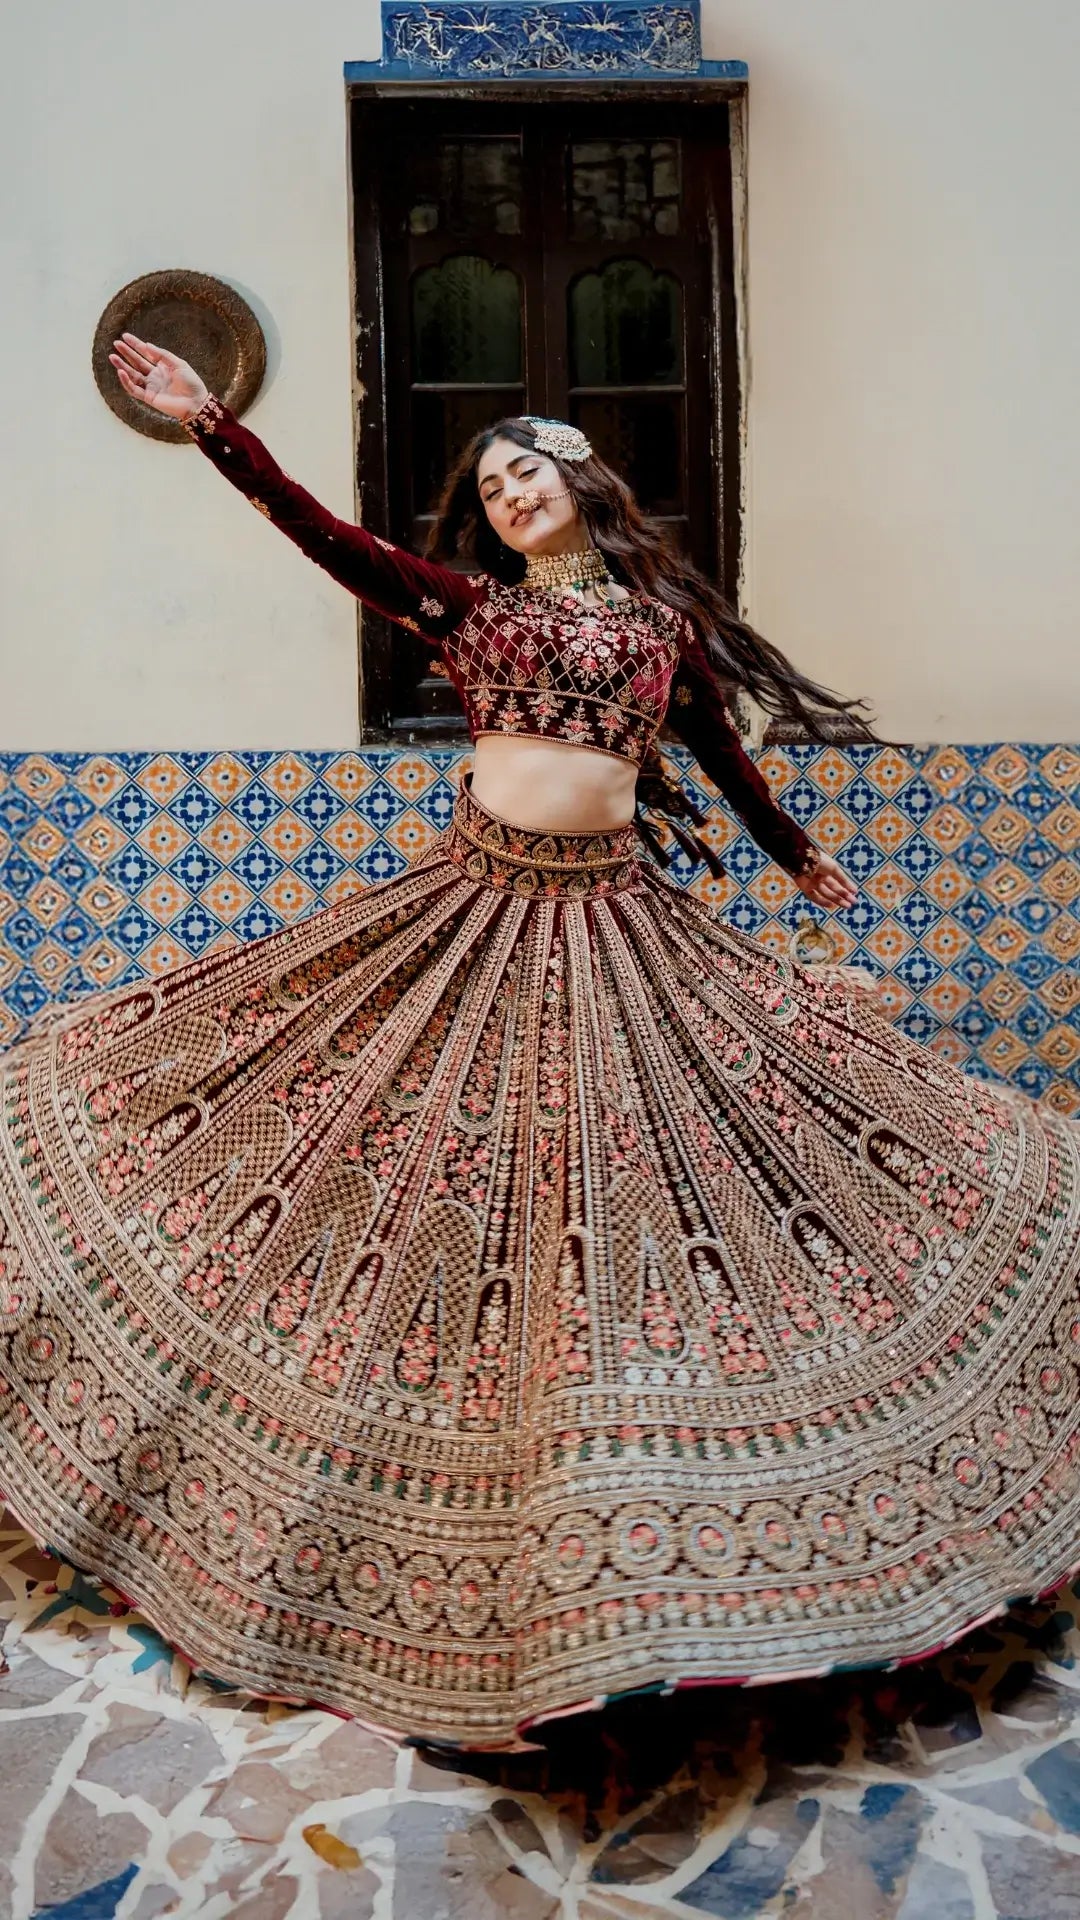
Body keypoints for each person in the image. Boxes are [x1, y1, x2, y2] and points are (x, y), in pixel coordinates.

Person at [0, 334, 1076, 1756]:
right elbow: (332, 542)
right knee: (422, 1185)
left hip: (619, 930)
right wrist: (216, 432)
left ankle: (651, 1546)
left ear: (583, 484)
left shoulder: (652, 634)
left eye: (528, 471)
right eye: (490, 482)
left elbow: (714, 751)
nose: (507, 493)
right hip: (473, 913)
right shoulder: (468, 611)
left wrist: (795, 856)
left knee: (639, 1193)